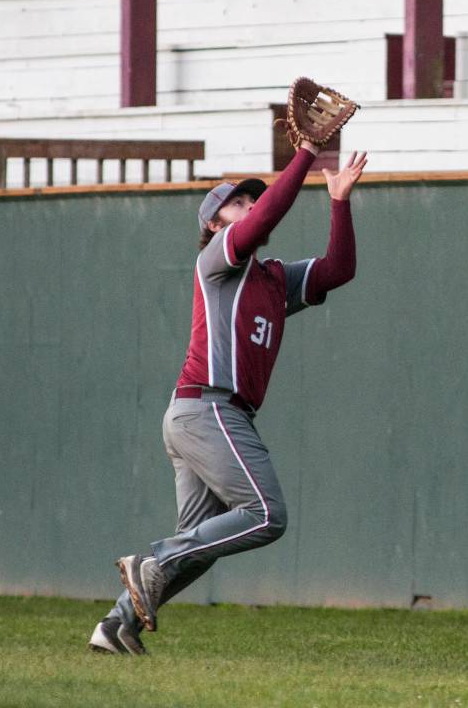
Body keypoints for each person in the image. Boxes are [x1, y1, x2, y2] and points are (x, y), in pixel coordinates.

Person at [89, 143, 367, 655]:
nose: (247, 206)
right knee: (266, 514)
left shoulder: (274, 278)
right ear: (215, 225)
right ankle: (152, 563)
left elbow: (337, 270)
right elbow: (266, 217)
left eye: (248, 200)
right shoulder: (216, 261)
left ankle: (114, 625)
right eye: (236, 203)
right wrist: (305, 153)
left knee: (202, 546)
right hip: (209, 408)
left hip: (200, 413)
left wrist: (340, 201)